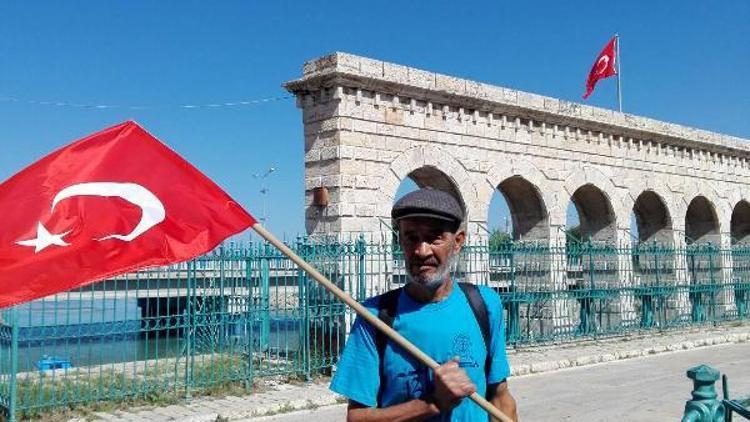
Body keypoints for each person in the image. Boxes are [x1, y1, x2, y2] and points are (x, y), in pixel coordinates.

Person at [330, 188, 518, 421]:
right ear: (400, 242)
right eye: (412, 237)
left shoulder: (485, 304)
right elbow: (357, 418)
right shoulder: (375, 316)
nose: (421, 250)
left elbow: (500, 396)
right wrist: (432, 404)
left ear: (458, 241)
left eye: (434, 237)